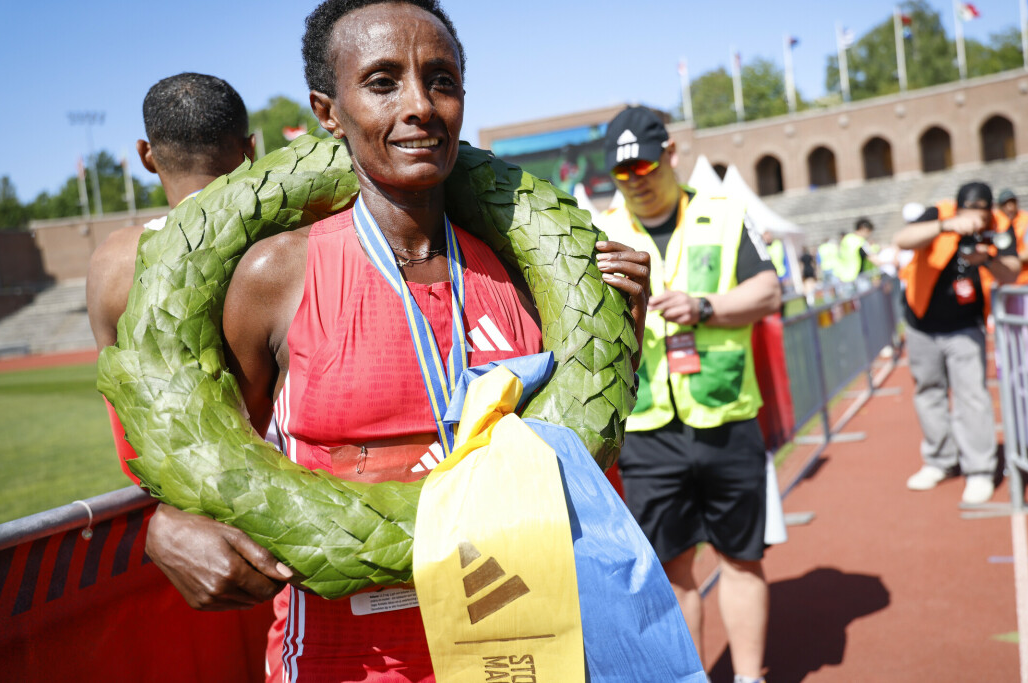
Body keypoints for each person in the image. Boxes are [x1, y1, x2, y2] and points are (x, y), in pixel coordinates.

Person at [138, 2, 651, 681]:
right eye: (382, 82)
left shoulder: (527, 277)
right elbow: (219, 444)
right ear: (329, 111)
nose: (420, 105)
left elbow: (578, 467)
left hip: (521, 649)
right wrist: (163, 522)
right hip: (342, 659)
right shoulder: (275, 277)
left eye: (441, 80)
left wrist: (625, 335)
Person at [594, 105, 781, 683]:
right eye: (624, 173)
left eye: (646, 166)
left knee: (742, 558)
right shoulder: (600, 229)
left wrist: (706, 308)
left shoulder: (723, 215)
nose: (638, 181)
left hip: (726, 415)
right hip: (647, 428)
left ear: (671, 154)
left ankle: (749, 678)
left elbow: (769, 291)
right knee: (673, 571)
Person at [87, 72, 257, 483]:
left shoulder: (110, 261)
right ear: (251, 148)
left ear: (146, 155)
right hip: (295, 497)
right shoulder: (294, 238)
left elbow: (126, 418)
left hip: (181, 496)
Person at [894, 183, 1021, 505]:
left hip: (965, 326)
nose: (974, 217)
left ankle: (979, 469)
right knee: (928, 391)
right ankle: (940, 460)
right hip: (921, 323)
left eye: (980, 210)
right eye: (968, 209)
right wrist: (944, 226)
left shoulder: (999, 226)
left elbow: (1012, 273)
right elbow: (903, 239)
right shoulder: (939, 212)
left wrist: (985, 259)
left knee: (972, 397)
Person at [996, 188, 1028, 286]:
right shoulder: (997, 223)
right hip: (1007, 281)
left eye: (1012, 203)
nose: (1010, 207)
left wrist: (1001, 260)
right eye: (1005, 204)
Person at [836, 218, 876, 285]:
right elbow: (872, 257)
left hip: (844, 276)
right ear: (863, 229)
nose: (868, 235)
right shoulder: (861, 242)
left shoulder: (846, 238)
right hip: (857, 277)